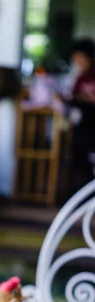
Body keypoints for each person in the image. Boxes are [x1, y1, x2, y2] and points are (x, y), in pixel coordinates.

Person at [69, 39, 95, 189]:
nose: (77, 62)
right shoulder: (80, 78)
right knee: (78, 159)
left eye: (79, 58)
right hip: (82, 129)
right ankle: (80, 195)